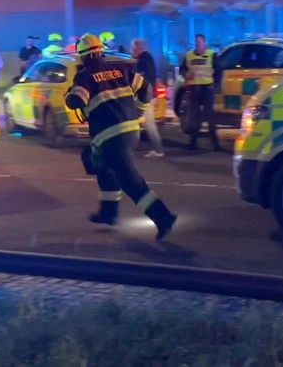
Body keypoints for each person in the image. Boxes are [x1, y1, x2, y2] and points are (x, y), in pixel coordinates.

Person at [66, 33, 177, 240]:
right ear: (100, 51)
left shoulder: (85, 76)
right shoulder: (120, 69)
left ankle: (163, 217)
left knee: (128, 179)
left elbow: (76, 101)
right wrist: (139, 110)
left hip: (109, 136)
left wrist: (69, 95)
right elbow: (146, 89)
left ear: (82, 56)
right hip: (130, 131)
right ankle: (108, 213)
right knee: (102, 166)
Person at [180, 33, 220, 151]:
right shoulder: (189, 55)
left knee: (210, 117)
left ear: (204, 43)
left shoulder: (211, 55)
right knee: (194, 117)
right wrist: (186, 74)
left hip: (207, 89)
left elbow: (219, 70)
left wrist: (215, 83)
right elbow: (182, 69)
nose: (197, 44)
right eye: (196, 42)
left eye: (199, 41)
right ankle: (193, 142)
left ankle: (215, 144)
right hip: (193, 89)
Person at [131, 38, 165, 158]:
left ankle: (158, 149)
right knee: (138, 122)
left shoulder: (144, 60)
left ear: (139, 47)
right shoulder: (146, 59)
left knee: (148, 123)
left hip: (145, 97)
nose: (132, 50)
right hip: (145, 96)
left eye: (133, 48)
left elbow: (143, 78)